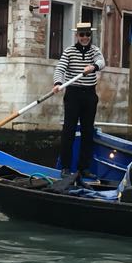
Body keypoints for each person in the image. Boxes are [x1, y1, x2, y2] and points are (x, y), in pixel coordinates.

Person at [53, 21, 106, 174]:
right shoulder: (69, 51)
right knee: (68, 130)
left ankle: (84, 168)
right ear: (77, 35)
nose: (85, 37)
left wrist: (93, 67)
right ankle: (65, 167)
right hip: (73, 94)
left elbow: (101, 62)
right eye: (82, 34)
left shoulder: (95, 50)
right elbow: (60, 69)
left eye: (87, 34)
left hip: (89, 94)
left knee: (87, 131)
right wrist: (58, 83)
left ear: (90, 35)